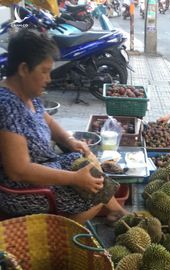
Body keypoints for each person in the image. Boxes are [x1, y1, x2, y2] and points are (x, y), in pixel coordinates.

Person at [0, 29, 128, 225]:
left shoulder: (27, 95)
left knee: (84, 163)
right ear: (24, 69)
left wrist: (69, 140)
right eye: (44, 72)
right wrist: (74, 179)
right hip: (23, 189)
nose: (49, 79)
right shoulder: (7, 105)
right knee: (93, 193)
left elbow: (48, 121)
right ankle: (60, 233)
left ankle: (116, 211)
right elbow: (19, 170)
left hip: (48, 166)